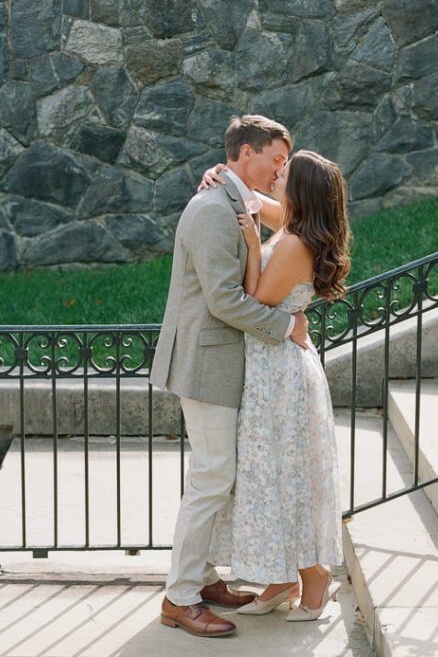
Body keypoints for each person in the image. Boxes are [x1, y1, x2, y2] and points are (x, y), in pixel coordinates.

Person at [150, 115, 310, 638]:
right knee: (212, 478)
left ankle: (201, 579)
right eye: (276, 159)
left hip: (224, 363)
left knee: (219, 476)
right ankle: (178, 599)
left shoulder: (234, 199)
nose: (280, 168)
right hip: (206, 364)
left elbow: (296, 216)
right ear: (246, 153)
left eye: (285, 162)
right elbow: (222, 301)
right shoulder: (212, 209)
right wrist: (285, 325)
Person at [202, 150, 351, 621]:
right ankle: (281, 576)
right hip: (272, 369)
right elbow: (250, 199)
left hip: (281, 375)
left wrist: (250, 244)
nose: (274, 176)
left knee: (288, 477)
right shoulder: (291, 222)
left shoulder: (292, 244)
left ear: (299, 188)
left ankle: (313, 576)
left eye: (283, 173)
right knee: (267, 474)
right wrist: (221, 175)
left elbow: (255, 301)